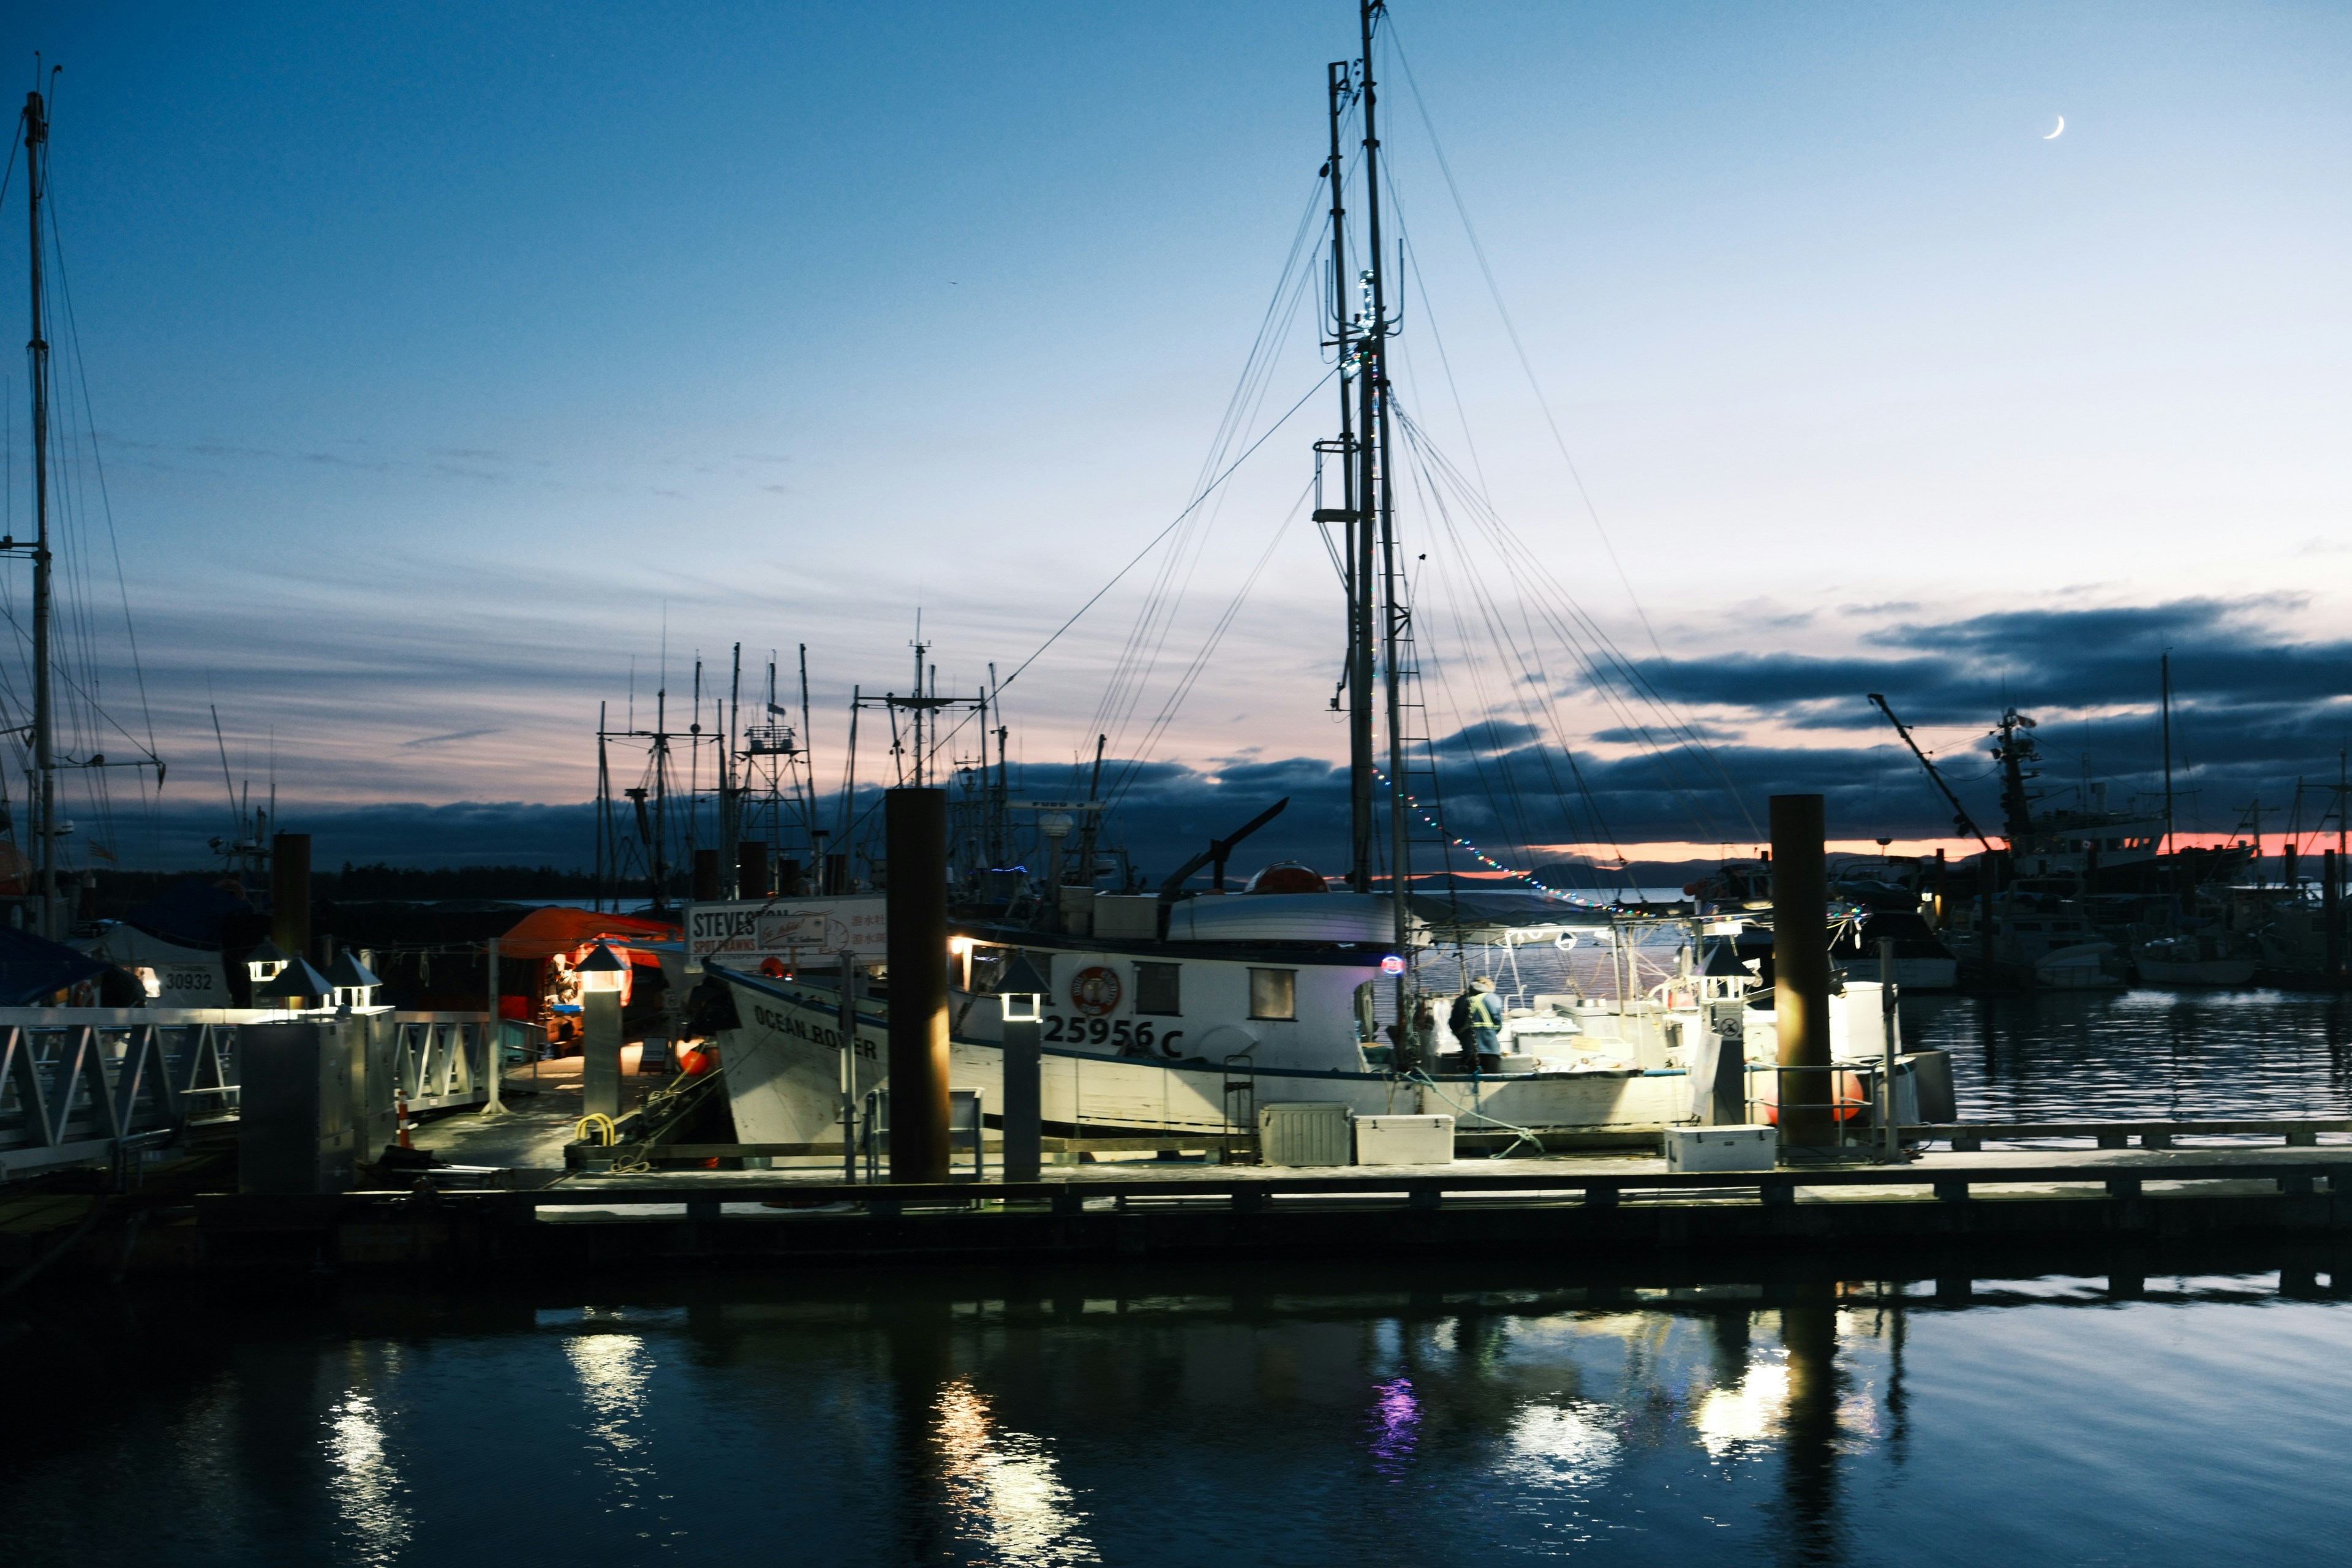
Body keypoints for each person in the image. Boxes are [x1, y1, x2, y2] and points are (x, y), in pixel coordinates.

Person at [1466, 976, 1506, 1073]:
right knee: (1492, 1082)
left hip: (1469, 1050)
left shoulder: (1462, 1000)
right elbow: (1498, 1024)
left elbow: (1454, 1025)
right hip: (1491, 1049)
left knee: (1472, 1082)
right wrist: (1491, 1033)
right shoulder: (1494, 999)